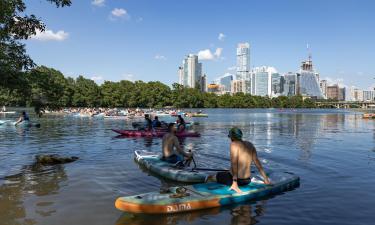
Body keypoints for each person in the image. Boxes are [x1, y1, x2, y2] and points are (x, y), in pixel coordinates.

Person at [215, 127, 270, 193]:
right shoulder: (250, 144)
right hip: (247, 180)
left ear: (232, 137)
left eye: (230, 137)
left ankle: (208, 179)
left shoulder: (233, 144)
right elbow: (257, 162)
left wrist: (235, 183)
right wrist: (265, 179)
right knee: (227, 172)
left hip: (237, 181)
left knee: (217, 175)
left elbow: (234, 163)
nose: (230, 139)